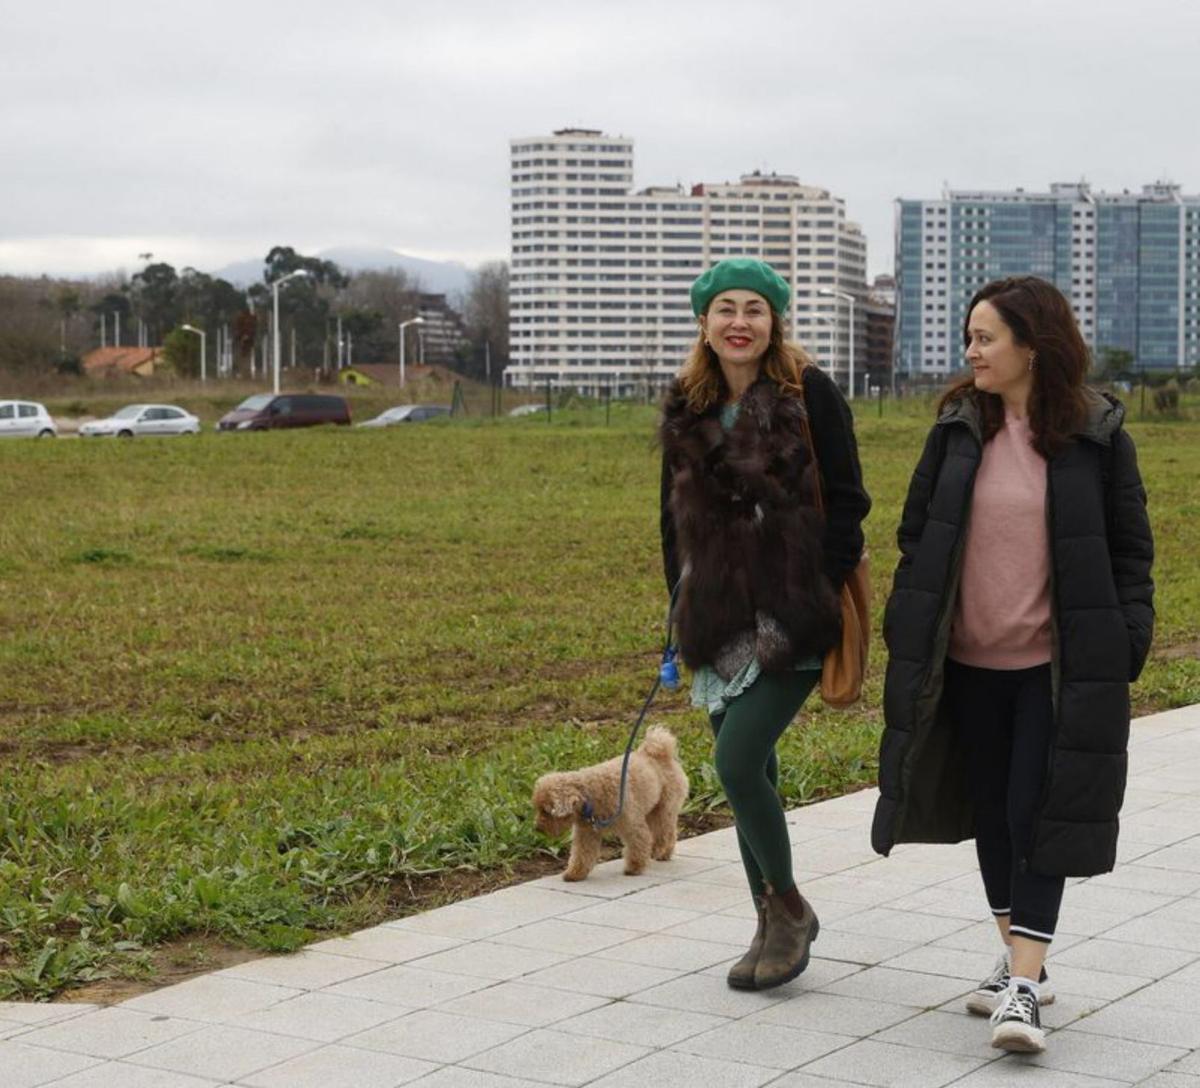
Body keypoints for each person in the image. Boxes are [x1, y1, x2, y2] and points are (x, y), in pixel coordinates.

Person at [871, 276, 1154, 1053]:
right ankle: (1019, 956)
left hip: (1053, 667)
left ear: (1033, 345)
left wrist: (1125, 634)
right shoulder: (958, 430)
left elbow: (1132, 551)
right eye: (970, 336)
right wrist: (912, 616)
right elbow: (916, 534)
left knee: (1037, 810)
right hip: (965, 663)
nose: (972, 350)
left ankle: (1023, 987)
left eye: (986, 336)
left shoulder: (1095, 437)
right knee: (992, 810)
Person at [659, 258, 870, 990]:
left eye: (755, 308)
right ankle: (766, 921)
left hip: (793, 614)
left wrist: (821, 584)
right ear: (704, 323)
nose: (740, 321)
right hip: (715, 618)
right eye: (725, 309)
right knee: (758, 774)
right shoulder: (687, 405)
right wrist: (679, 607)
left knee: (738, 764)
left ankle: (789, 908)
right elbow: (671, 523)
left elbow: (850, 500)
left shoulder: (808, 394)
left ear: (775, 319)